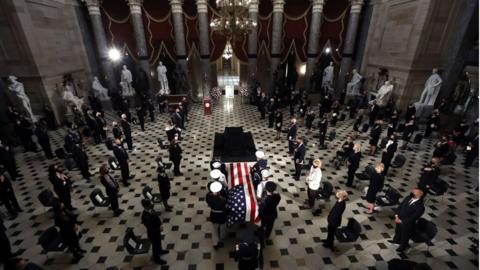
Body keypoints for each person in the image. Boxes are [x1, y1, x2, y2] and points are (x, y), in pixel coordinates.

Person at [389, 188, 425, 252]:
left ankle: (403, 246)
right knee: (398, 230)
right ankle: (396, 241)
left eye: (414, 192)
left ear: (419, 195)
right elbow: (400, 206)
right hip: (398, 218)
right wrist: (396, 216)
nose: (411, 192)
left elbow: (413, 217)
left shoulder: (420, 206)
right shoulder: (408, 197)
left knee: (405, 235)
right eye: (412, 191)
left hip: (407, 223)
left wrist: (402, 221)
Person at [141, 199, 169, 264]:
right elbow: (150, 228)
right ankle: (156, 258)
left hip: (157, 231)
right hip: (153, 234)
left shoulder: (151, 209)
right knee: (155, 246)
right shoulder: (145, 216)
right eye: (150, 204)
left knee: (159, 241)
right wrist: (159, 229)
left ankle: (160, 250)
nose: (152, 205)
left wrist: (160, 224)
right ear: (146, 206)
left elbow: (156, 216)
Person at [206, 181, 227, 248]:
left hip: (213, 214)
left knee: (214, 229)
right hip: (222, 215)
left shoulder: (208, 196)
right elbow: (224, 207)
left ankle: (215, 242)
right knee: (222, 227)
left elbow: (208, 203)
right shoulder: (223, 199)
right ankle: (221, 238)